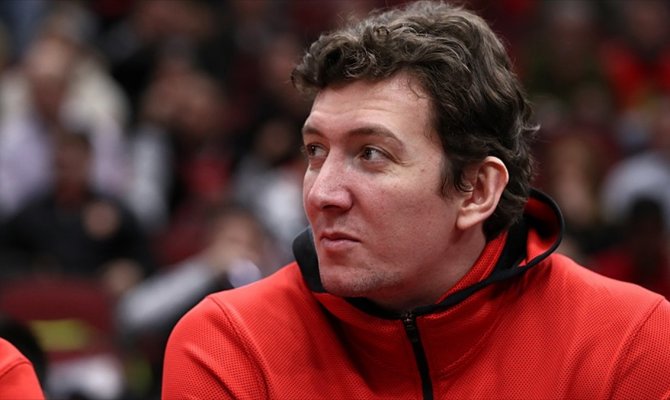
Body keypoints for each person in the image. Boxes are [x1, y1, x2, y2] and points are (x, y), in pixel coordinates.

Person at [162, 1, 670, 399]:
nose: (321, 193)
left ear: (477, 190)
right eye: (315, 151)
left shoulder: (631, 340)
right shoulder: (229, 344)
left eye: (371, 154)